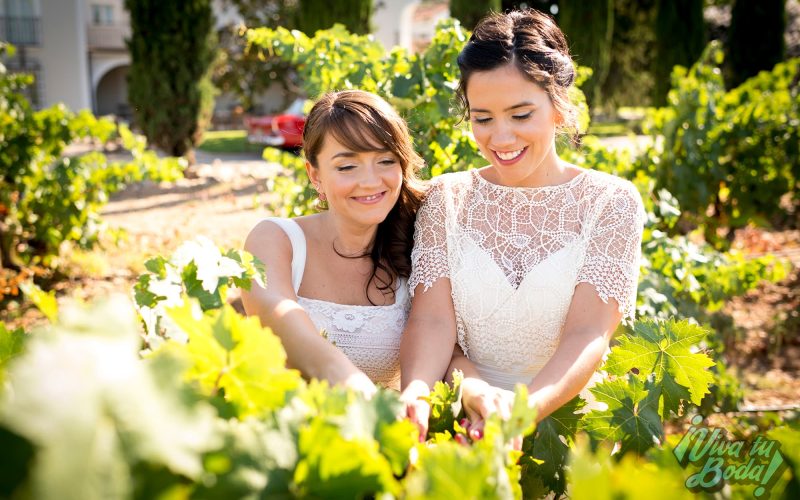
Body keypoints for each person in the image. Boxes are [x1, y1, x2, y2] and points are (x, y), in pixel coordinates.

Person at [400, 9, 646, 436]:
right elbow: (432, 323)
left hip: (567, 423)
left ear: (558, 108)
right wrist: (421, 393)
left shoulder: (611, 202)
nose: (500, 138)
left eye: (520, 114)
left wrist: (520, 415)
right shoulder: (446, 199)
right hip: (464, 419)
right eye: (483, 118)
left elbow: (588, 332)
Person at [242, 90, 426, 396]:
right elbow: (285, 323)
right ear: (315, 175)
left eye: (385, 160)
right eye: (346, 166)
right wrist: (366, 400)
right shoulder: (275, 241)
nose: (370, 181)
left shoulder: (417, 244)